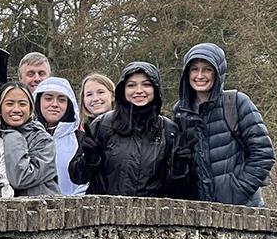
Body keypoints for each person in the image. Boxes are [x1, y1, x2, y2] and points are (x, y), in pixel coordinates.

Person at [172, 43, 274, 207]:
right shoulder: (181, 112)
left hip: (243, 210)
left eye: (207, 69)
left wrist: (237, 191)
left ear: (218, 71)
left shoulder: (236, 102)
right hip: (199, 212)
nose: (200, 75)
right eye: (194, 69)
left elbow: (263, 154)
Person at [69, 62, 190, 197]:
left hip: (148, 214)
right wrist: (89, 160)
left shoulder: (168, 130)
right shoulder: (103, 124)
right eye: (131, 85)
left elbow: (176, 192)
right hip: (103, 213)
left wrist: (178, 171)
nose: (139, 90)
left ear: (155, 89)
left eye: (146, 84)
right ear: (123, 90)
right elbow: (76, 177)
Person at [0, 81, 60, 196]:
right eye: (10, 104)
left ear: (30, 108)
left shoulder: (43, 139)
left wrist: (13, 137)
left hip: (40, 208)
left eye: (22, 104)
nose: (16, 109)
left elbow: (20, 178)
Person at [33, 77, 86, 195]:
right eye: (48, 98)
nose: (54, 104)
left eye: (61, 100)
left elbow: (87, 179)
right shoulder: (27, 136)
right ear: (38, 101)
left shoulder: (81, 139)